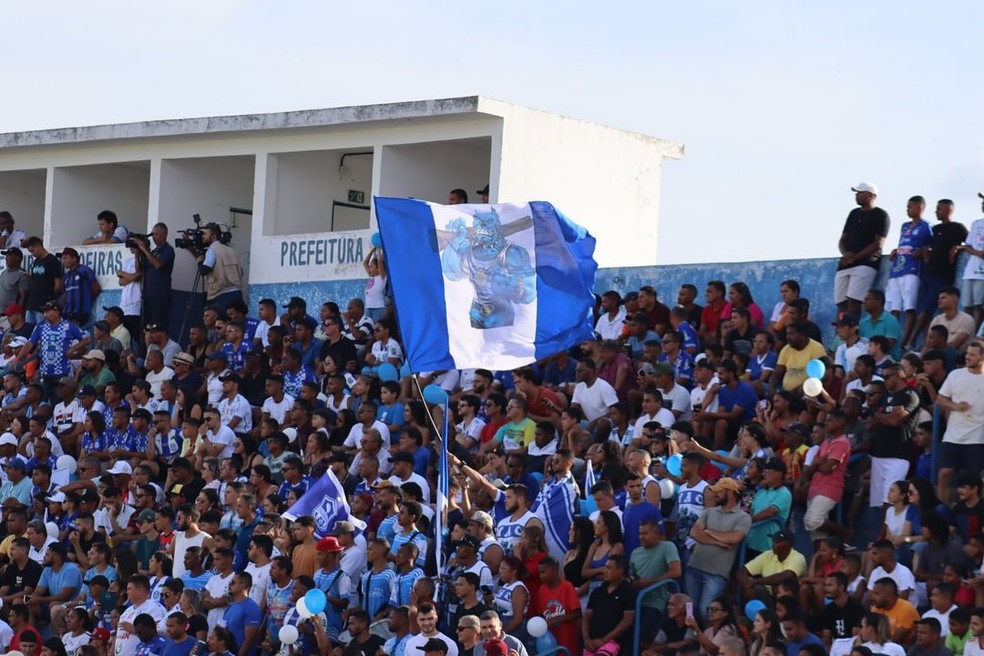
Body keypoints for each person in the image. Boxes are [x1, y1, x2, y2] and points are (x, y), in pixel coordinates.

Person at [685, 477, 751, 620]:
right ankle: (691, 638)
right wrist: (719, 543)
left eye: (719, 491)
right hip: (694, 566)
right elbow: (695, 533)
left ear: (730, 492)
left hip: (716, 573)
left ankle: (707, 640)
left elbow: (734, 538)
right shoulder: (709, 511)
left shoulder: (743, 517)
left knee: (706, 612)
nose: (715, 495)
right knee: (690, 610)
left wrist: (709, 532)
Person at [934, 342, 984, 505]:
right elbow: (940, 399)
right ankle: (943, 513)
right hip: (952, 436)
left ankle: (970, 515)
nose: (967, 357)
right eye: (967, 353)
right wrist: (955, 406)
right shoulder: (956, 375)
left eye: (973, 354)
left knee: (972, 481)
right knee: (944, 474)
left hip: (977, 438)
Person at [836, 182, 891, 319]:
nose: (857, 195)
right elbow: (843, 238)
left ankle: (851, 331)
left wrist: (856, 256)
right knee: (841, 303)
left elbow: (878, 243)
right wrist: (845, 254)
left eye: (860, 192)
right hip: (845, 264)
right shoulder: (854, 214)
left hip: (866, 263)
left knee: (854, 301)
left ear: (870, 195)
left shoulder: (881, 215)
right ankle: (840, 335)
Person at [582, 555, 636, 656]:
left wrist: (604, 640)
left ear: (620, 570)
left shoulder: (628, 591)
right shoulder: (597, 591)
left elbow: (627, 621)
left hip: (613, 642)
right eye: (605, 567)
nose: (605, 571)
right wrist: (586, 639)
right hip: (591, 643)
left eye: (609, 568)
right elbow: (587, 617)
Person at [134, 223, 175, 330]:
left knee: (158, 327)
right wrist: (137, 254)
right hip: (147, 295)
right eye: (152, 235)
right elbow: (139, 270)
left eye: (156, 234)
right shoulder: (153, 252)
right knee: (145, 328)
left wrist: (144, 248)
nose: (153, 237)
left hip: (160, 296)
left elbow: (158, 264)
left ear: (164, 234)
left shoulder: (168, 249)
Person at [196, 223, 243, 317]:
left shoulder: (213, 249)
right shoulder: (231, 249)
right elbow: (241, 271)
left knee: (221, 323)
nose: (203, 236)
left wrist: (200, 261)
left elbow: (204, 270)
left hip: (221, 294)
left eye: (205, 234)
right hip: (237, 292)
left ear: (213, 236)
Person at [24, 236, 63, 326]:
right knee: (29, 331)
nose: (32, 254)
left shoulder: (52, 261)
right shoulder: (36, 261)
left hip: (44, 304)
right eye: (30, 252)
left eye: (33, 250)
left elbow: (57, 284)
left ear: (38, 246)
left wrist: (49, 299)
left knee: (41, 330)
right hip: (31, 303)